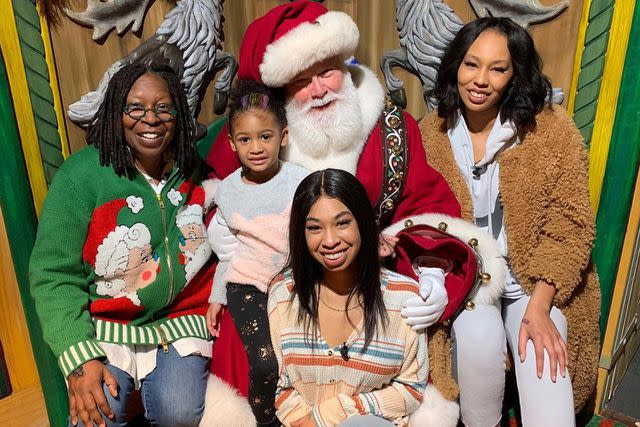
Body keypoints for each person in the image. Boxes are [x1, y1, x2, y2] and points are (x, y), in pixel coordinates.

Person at [202, 4, 504, 425]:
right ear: (284, 92)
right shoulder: (263, 136)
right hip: (285, 280)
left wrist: (433, 271)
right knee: (248, 350)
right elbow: (216, 190)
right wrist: (221, 228)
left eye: (327, 71)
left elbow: (426, 206)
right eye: (302, 82)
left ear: (345, 64)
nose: (320, 89)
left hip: (374, 276)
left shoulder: (392, 129)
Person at [420, 17, 600, 426]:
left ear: (515, 75)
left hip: (533, 283)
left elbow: (571, 225)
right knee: (479, 344)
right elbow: (423, 221)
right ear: (455, 67)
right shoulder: (431, 133)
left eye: (497, 68)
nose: (480, 79)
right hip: (470, 283)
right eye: (471, 64)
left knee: (544, 365)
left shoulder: (549, 129)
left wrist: (539, 306)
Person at [29, 63, 215, 427]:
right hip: (105, 327)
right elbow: (53, 275)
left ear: (178, 114)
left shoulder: (195, 171)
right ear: (117, 112)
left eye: (164, 108)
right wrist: (79, 359)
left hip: (179, 325)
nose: (151, 119)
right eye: (136, 108)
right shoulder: (80, 177)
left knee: (180, 413)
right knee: (96, 417)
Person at [269, 168, 427, 427]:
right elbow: (284, 387)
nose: (330, 240)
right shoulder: (284, 295)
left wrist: (338, 412)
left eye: (342, 223)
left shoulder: (404, 298)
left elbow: (412, 389)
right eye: (314, 228)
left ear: (363, 223)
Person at [206, 80, 309, 426]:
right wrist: (217, 297)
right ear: (231, 143)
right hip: (246, 285)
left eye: (265, 136)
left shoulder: (302, 181)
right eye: (245, 139)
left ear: (283, 136)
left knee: (302, 356)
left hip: (294, 283)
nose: (256, 147)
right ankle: (266, 420)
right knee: (265, 362)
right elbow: (227, 252)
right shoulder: (228, 190)